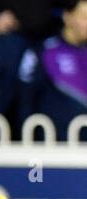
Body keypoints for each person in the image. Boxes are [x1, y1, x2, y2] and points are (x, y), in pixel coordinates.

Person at [18, 0, 87, 140]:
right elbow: (25, 100)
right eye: (84, 17)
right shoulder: (44, 52)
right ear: (67, 16)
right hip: (53, 145)